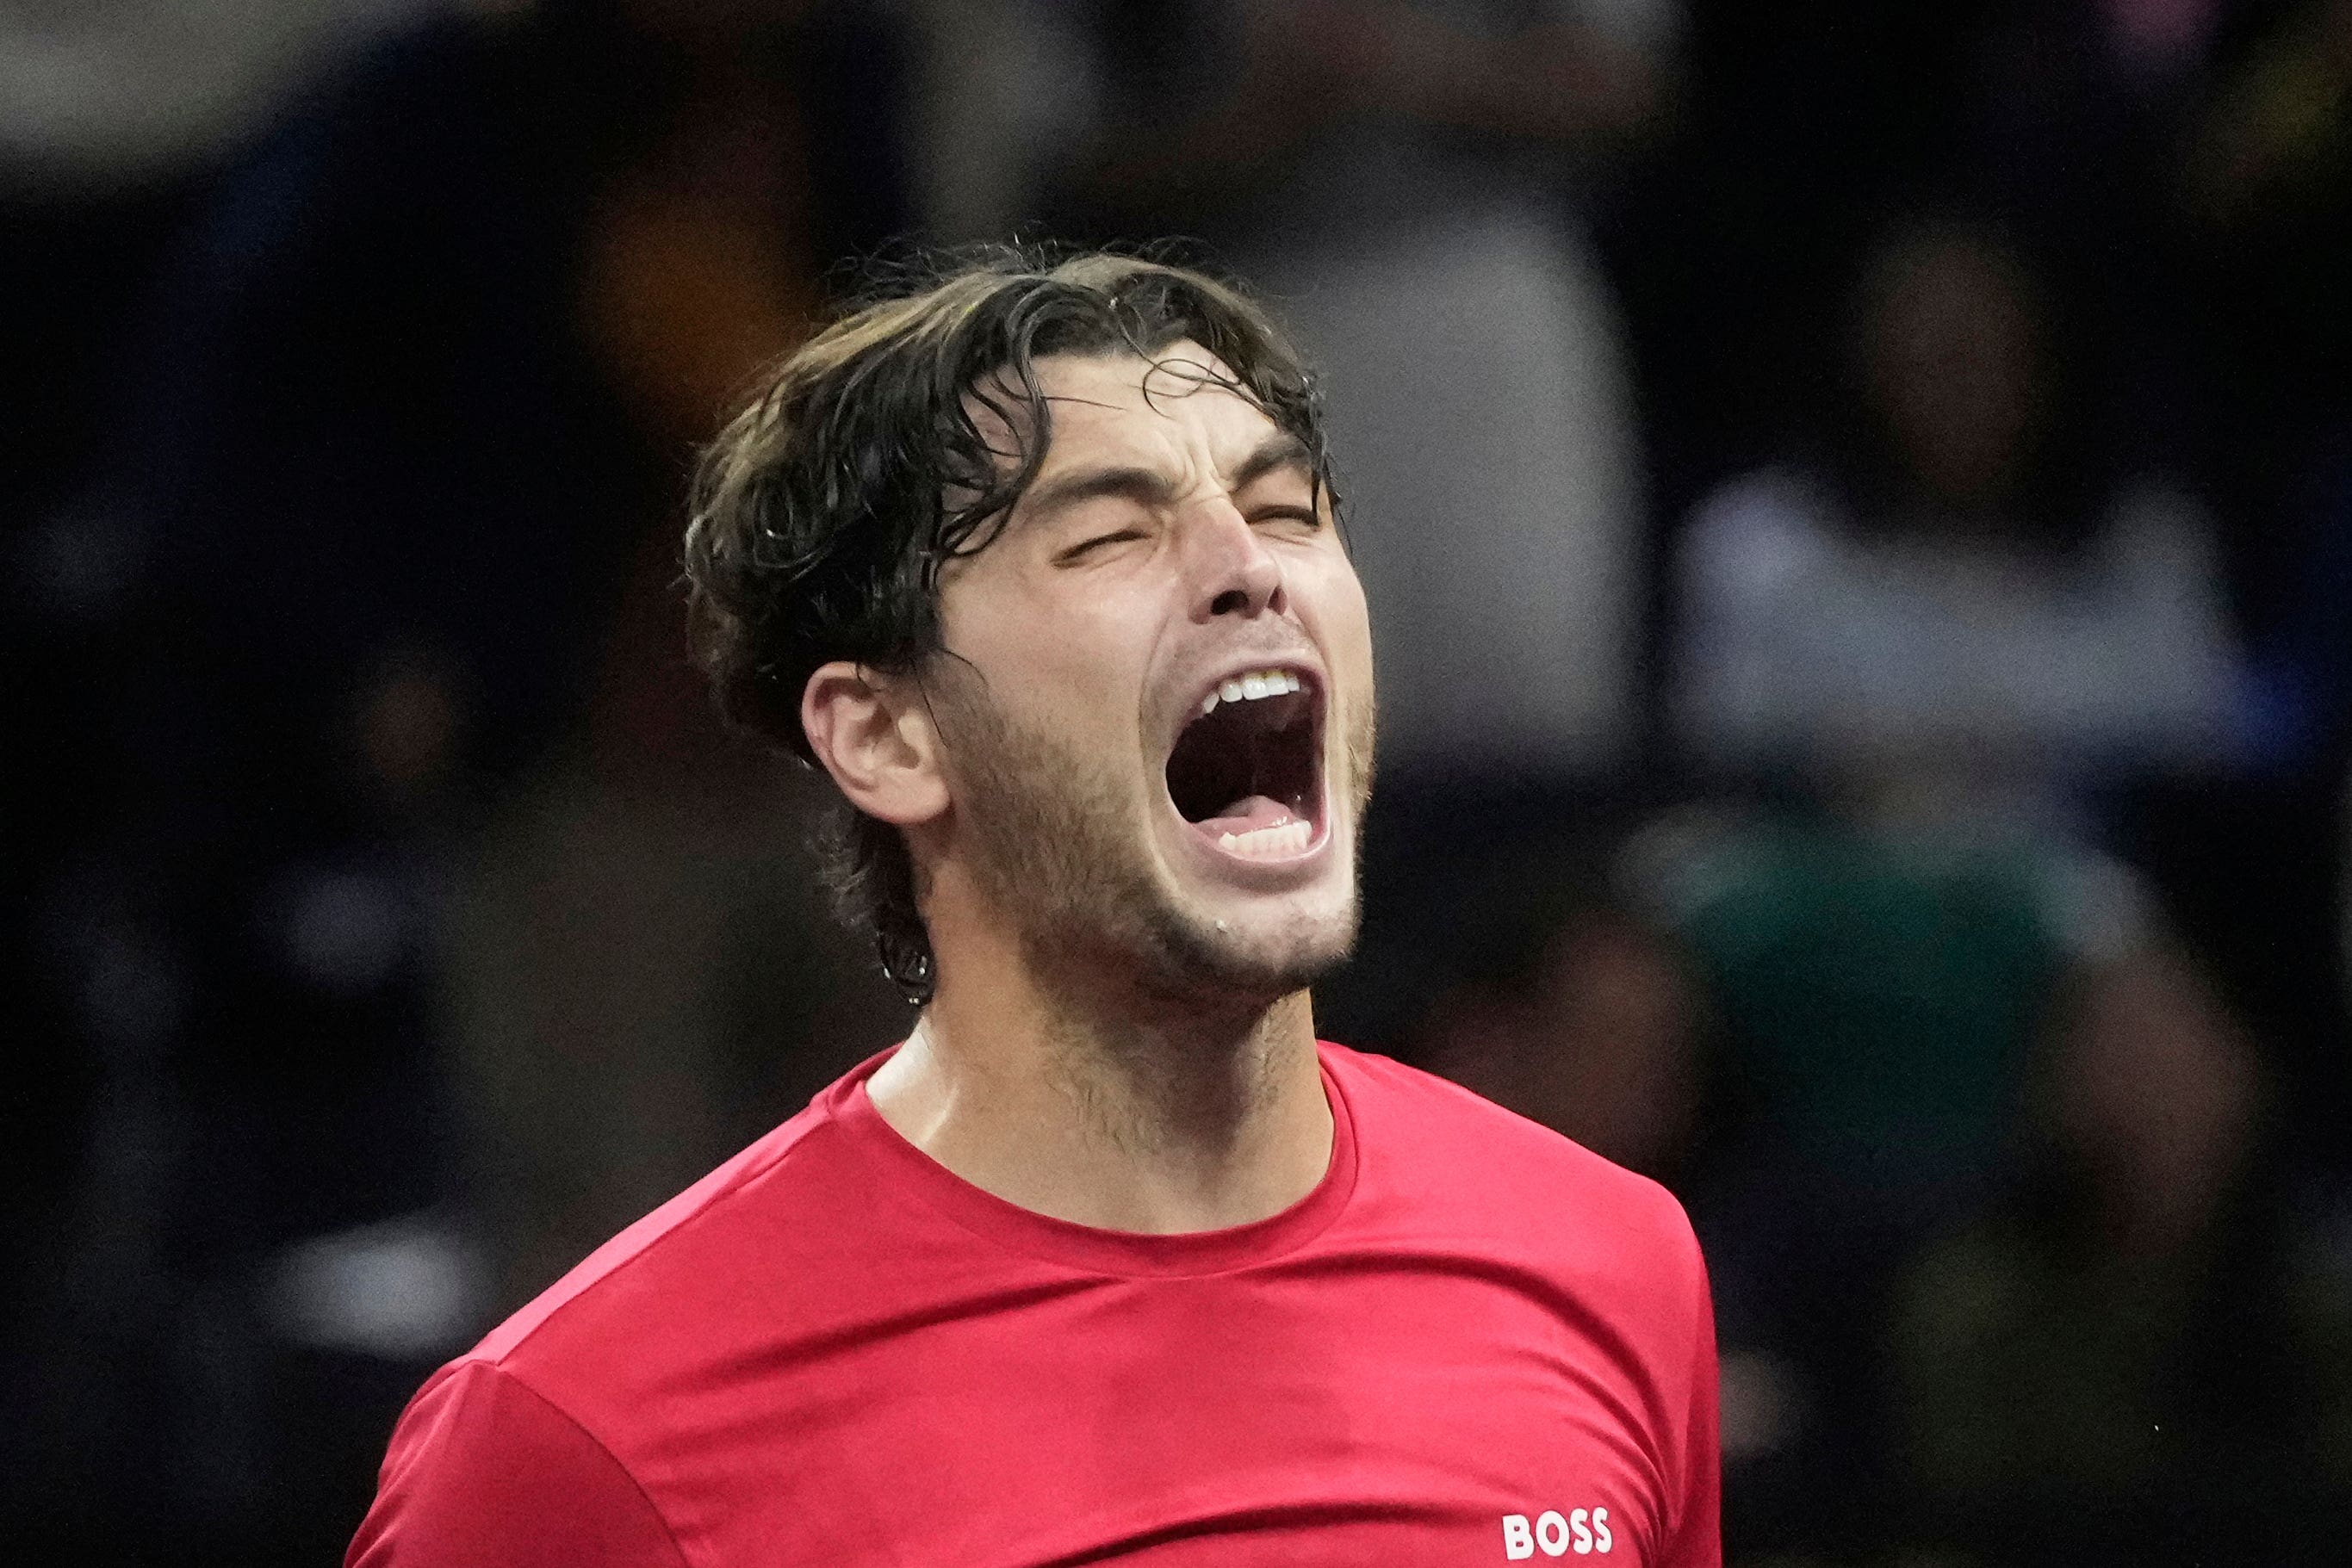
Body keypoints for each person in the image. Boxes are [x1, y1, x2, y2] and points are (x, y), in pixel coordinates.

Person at [346, 250, 1721, 1565]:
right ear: (885, 737)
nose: (1251, 566)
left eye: (1289, 509)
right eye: (1112, 535)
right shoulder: (574, 1440)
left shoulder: (1605, 1262)